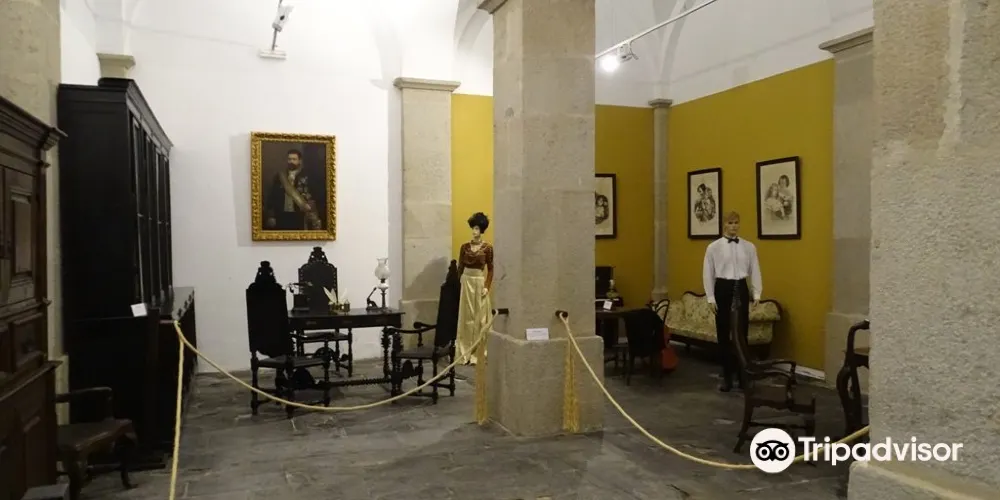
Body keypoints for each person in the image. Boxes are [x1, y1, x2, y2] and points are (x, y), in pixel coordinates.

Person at [702, 211, 762, 391]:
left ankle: (743, 376)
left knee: (741, 333)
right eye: (730, 222)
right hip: (722, 287)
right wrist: (710, 297)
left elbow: (755, 269)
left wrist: (757, 293)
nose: (734, 226)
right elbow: (708, 273)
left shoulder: (749, 247)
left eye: (736, 222)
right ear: (724, 225)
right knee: (723, 333)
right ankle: (727, 377)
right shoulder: (713, 248)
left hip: (740, 287)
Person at [455, 212, 494, 365]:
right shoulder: (464, 247)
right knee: (466, 317)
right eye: (473, 228)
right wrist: (458, 282)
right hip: (466, 282)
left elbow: (491, 269)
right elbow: (460, 266)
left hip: (479, 283)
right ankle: (464, 350)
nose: (474, 231)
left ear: (482, 229)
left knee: (480, 318)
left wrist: (487, 286)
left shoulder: (487, 248)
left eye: (477, 228)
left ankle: (478, 352)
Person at [264, 149, 323, 230]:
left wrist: (310, 206)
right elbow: (272, 197)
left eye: (294, 159)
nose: (291, 161)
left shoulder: (307, 176)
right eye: (289, 159)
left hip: (300, 216)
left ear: (300, 161)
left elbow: (315, 195)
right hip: (282, 215)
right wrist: (271, 216)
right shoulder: (279, 177)